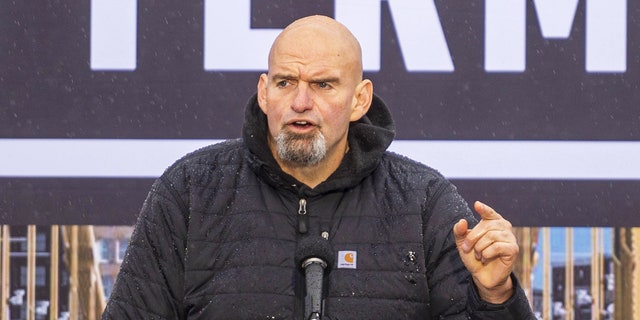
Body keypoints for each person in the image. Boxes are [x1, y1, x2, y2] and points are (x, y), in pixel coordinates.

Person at [102, 15, 535, 319]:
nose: (300, 103)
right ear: (264, 92)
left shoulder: (423, 202)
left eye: (323, 84)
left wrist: (495, 296)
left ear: (359, 100)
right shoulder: (191, 192)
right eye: (286, 82)